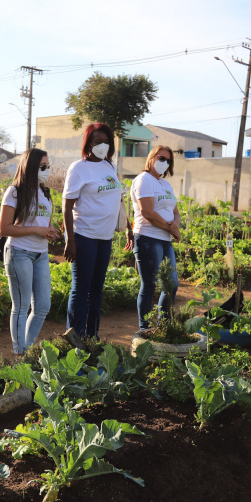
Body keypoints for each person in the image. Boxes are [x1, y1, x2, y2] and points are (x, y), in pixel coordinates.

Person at [62, 123, 133, 340]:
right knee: (81, 288)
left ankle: (92, 336)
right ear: (88, 144)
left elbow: (117, 200)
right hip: (84, 236)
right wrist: (70, 240)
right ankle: (75, 337)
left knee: (97, 289)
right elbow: (66, 207)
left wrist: (129, 226)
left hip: (105, 237)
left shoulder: (109, 166)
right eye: (97, 142)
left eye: (106, 142)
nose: (102, 146)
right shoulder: (78, 169)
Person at [0, 148, 60, 358]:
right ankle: (20, 354)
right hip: (19, 252)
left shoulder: (46, 194)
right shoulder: (15, 192)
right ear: (30, 167)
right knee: (22, 306)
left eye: (48, 166)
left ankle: (28, 350)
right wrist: (37, 230)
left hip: (40, 254)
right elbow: (4, 228)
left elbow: (45, 225)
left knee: (42, 306)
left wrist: (50, 232)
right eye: (42, 166)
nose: (46, 170)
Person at [131, 145, 180, 329]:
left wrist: (175, 225)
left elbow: (176, 212)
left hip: (165, 241)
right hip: (148, 238)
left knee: (171, 285)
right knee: (149, 285)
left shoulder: (165, 184)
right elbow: (147, 212)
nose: (164, 163)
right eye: (161, 158)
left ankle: (163, 326)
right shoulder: (143, 180)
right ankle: (145, 328)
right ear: (151, 158)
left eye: (168, 161)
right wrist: (172, 229)